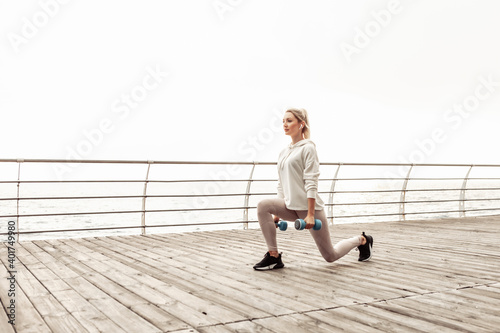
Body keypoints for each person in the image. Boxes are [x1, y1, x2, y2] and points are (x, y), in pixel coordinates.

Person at [253, 108, 373, 270]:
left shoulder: (308, 148)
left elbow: (311, 182)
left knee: (330, 256)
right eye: (283, 121)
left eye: (289, 121)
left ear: (301, 124)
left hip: (309, 209)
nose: (285, 125)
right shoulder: (283, 152)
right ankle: (273, 256)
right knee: (263, 205)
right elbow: (281, 184)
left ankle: (362, 240)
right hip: (290, 206)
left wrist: (310, 215)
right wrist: (276, 215)